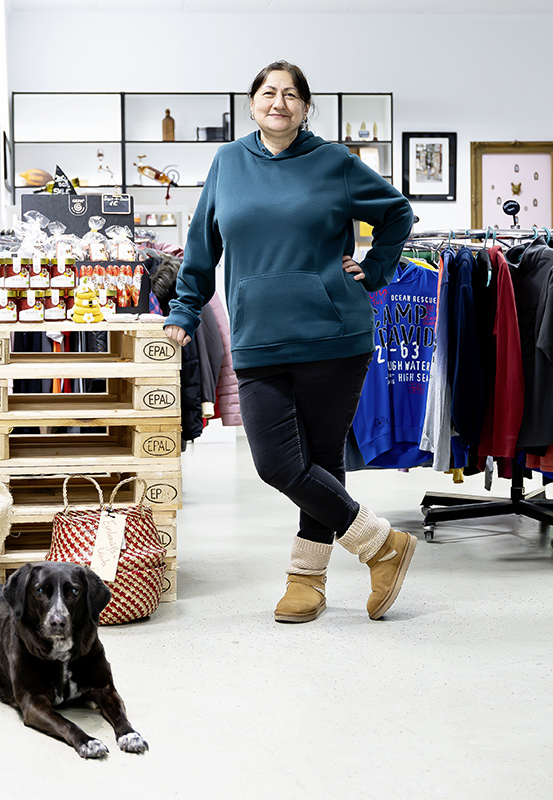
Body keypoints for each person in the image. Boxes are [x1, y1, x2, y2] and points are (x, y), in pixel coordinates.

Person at [163, 61, 417, 623]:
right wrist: (183, 309)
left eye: (291, 95)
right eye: (268, 93)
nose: (278, 102)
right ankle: (382, 545)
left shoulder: (335, 162)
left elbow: (397, 214)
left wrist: (374, 272)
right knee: (277, 463)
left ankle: (307, 579)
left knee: (323, 459)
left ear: (304, 108)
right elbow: (202, 245)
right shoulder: (228, 163)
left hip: (333, 334)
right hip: (259, 338)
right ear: (252, 104)